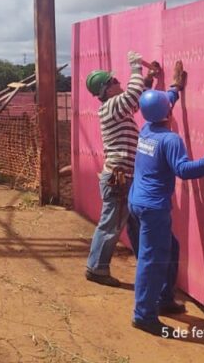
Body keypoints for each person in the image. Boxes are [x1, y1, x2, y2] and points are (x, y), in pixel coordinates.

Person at [128, 83, 204, 336]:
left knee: (170, 248)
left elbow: (158, 106)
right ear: (167, 111)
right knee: (151, 262)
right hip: (153, 208)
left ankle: (163, 299)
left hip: (136, 202)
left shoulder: (147, 128)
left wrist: (174, 88)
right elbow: (183, 170)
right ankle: (144, 316)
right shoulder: (170, 139)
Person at [84, 51, 165, 287]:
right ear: (108, 88)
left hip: (124, 177)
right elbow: (132, 96)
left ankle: (143, 265)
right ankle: (96, 268)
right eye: (115, 80)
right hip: (120, 177)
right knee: (111, 224)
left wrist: (148, 79)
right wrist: (135, 68)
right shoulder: (111, 106)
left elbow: (136, 99)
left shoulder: (115, 107)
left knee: (128, 223)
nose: (120, 82)